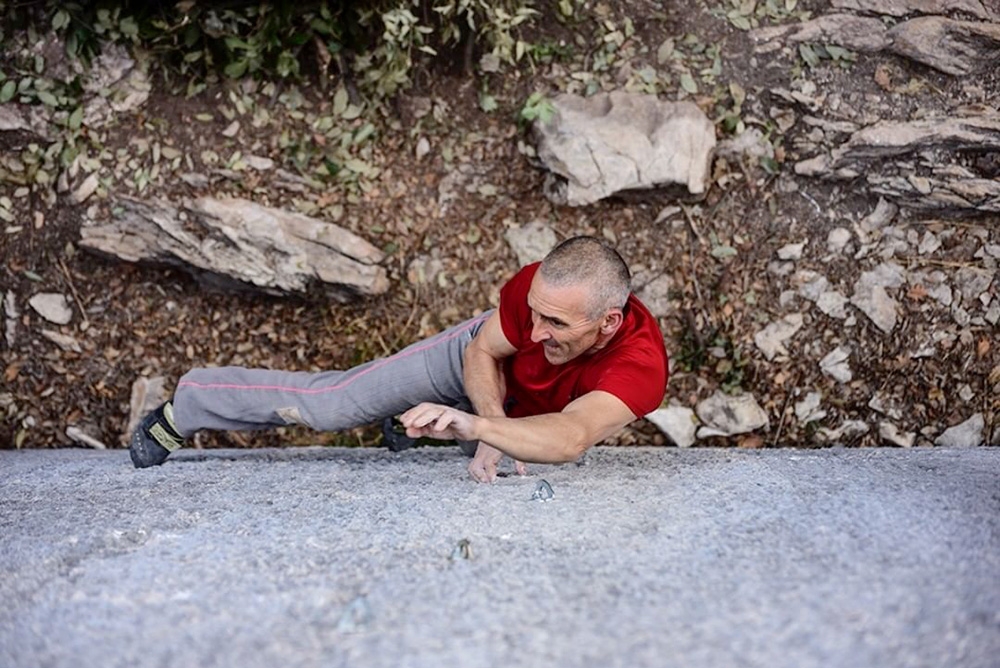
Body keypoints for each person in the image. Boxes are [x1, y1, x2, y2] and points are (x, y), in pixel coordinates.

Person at [129, 236, 669, 483]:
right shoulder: (538, 292)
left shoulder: (639, 368)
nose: (534, 331)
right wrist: (488, 427)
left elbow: (571, 438)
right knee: (332, 408)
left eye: (555, 324)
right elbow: (485, 347)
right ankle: (192, 404)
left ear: (608, 323)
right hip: (475, 365)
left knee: (499, 447)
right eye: (533, 314)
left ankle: (415, 421)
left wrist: (483, 427)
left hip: (526, 410)